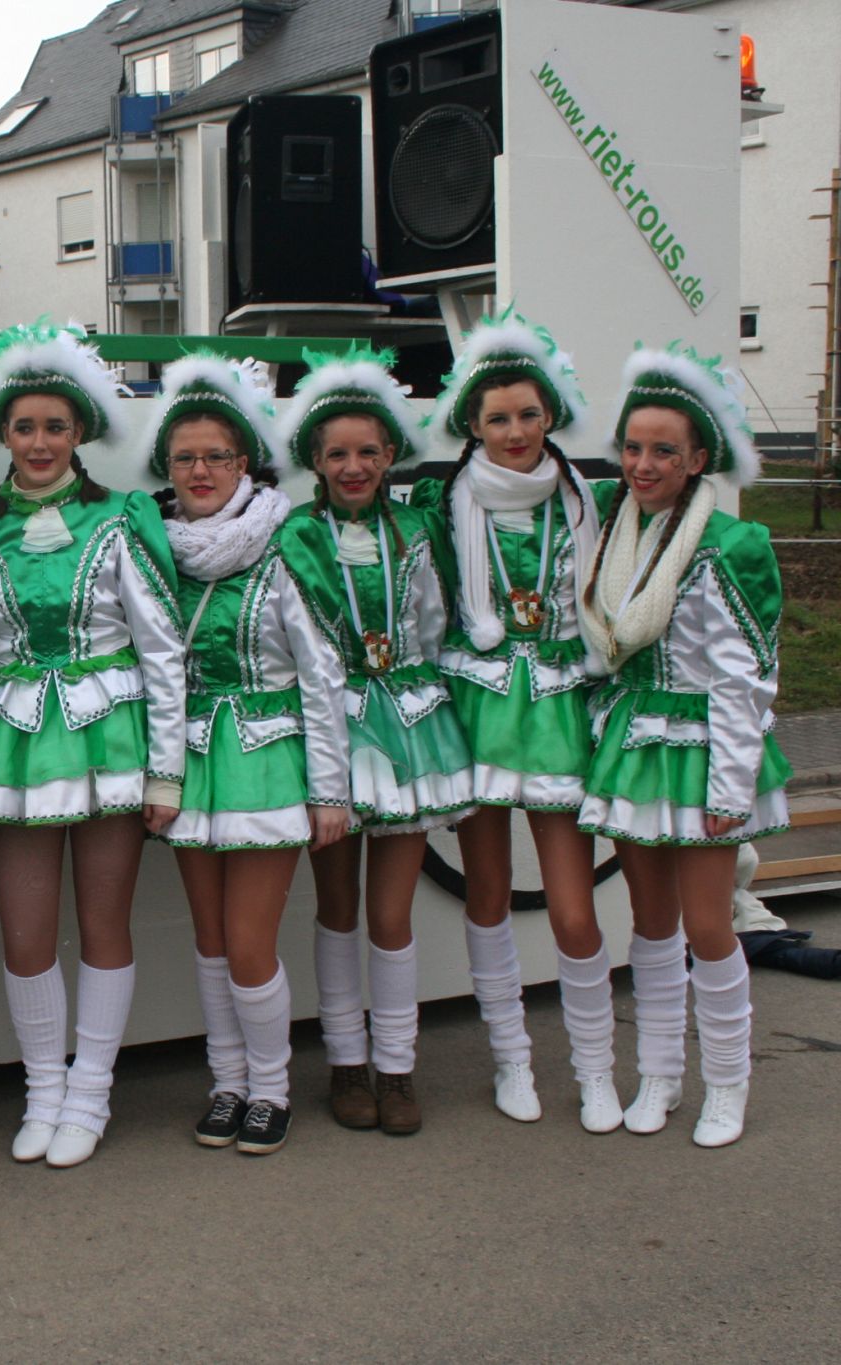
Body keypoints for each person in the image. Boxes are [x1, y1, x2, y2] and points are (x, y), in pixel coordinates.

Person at [0, 319, 186, 1169]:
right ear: (4, 433)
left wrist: (166, 773)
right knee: (26, 934)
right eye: (24, 426)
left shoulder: (123, 517)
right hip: (18, 747)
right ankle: (42, 1091)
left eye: (55, 426)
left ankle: (90, 1091)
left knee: (104, 922)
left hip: (109, 738)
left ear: (80, 431)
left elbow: (161, 648)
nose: (39, 442)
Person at [577, 346, 792, 1149]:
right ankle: (660, 1072)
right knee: (651, 921)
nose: (643, 464)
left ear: (698, 459)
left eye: (663, 450)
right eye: (633, 447)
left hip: (703, 748)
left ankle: (728, 1082)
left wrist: (729, 788)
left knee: (709, 925)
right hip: (639, 743)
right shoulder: (615, 530)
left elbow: (746, 679)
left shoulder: (730, 545)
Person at [412, 314, 619, 1131]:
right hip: (479, 705)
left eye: (529, 414)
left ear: (551, 414)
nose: (515, 431)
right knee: (488, 894)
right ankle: (511, 1061)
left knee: (572, 906)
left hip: (561, 703)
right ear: (473, 424)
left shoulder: (591, 500)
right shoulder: (444, 504)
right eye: (497, 418)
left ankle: (595, 1070)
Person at [141, 354, 351, 1156]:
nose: (200, 471)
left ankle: (270, 1088)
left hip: (266, 758)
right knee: (210, 939)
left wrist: (329, 790)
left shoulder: (287, 544)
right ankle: (226, 1082)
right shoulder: (157, 548)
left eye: (216, 456)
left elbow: (322, 678)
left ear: (245, 463)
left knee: (250, 941)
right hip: (191, 761)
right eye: (184, 458)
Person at [278, 348, 476, 1136]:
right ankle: (345, 1061)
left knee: (391, 914)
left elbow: (439, 622)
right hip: (332, 728)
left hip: (411, 729)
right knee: (336, 908)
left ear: (391, 453)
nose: (353, 466)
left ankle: (396, 1064)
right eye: (337, 454)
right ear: (315, 462)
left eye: (367, 451)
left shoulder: (420, 528)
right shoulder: (297, 535)